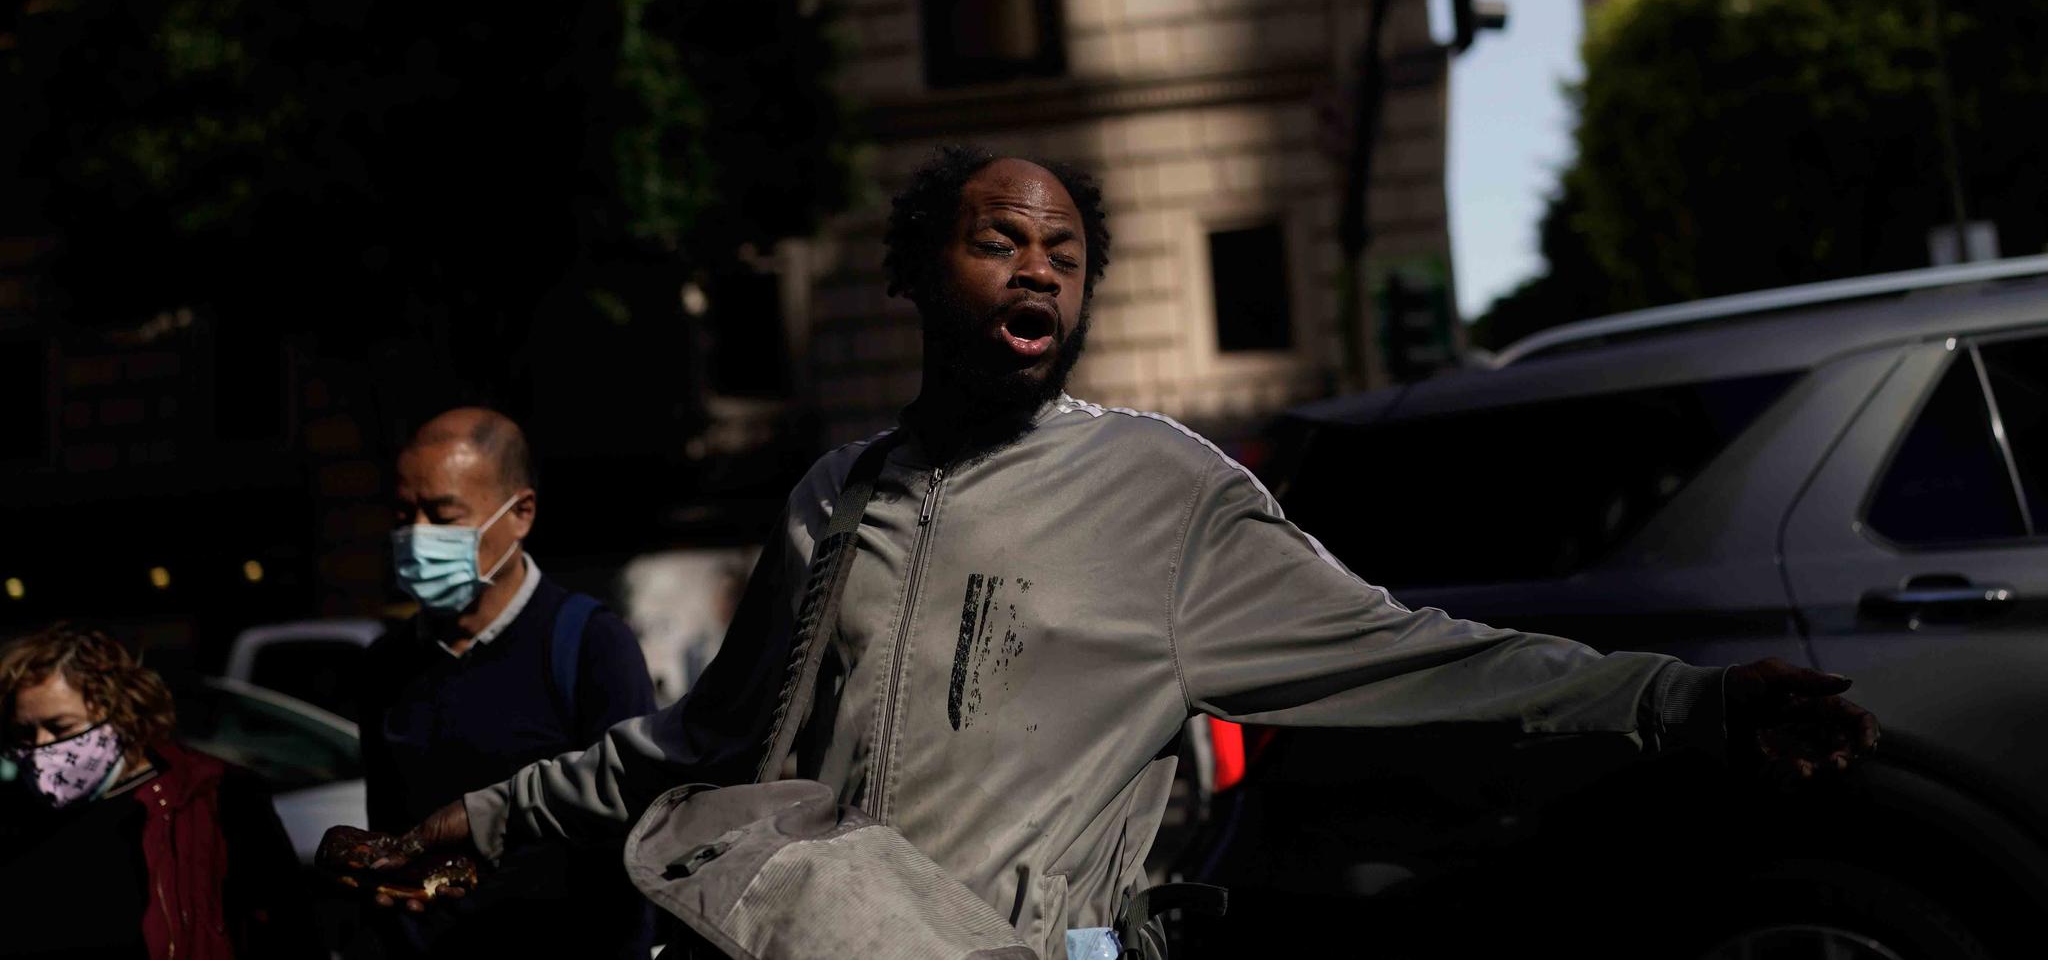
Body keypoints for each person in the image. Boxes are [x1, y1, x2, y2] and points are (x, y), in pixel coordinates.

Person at [322, 147, 1879, 957]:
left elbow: (1420, 653)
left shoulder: (1166, 493)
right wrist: (475, 818)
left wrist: (1682, 704)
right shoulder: (826, 499)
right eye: (1001, 238)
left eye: (1066, 251)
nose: (1040, 267)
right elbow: (694, 741)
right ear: (917, 277)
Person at [350, 407, 656, 959]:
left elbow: (634, 834)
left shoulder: (591, 647)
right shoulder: (384, 665)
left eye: (443, 516)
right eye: (403, 514)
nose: (417, 537)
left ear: (521, 513)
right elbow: (391, 836)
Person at [0, 624, 315, 960]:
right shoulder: (16, 815)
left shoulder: (213, 796)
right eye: (25, 732)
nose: (41, 747)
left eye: (61, 727)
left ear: (118, 710)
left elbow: (289, 929)